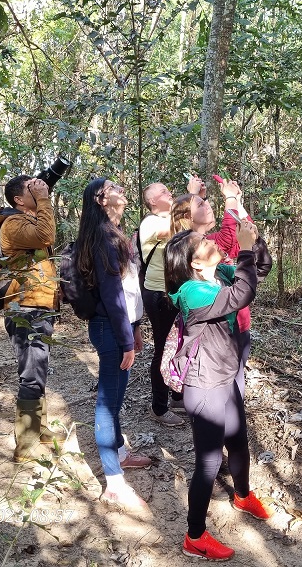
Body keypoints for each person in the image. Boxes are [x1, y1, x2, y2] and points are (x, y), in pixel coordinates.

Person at [164, 222, 274, 561]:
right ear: (195, 263)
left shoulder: (218, 274)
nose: (213, 242)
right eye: (205, 243)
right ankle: (194, 536)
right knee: (209, 462)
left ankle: (242, 495)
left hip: (226, 377)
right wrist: (242, 249)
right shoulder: (192, 291)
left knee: (239, 441)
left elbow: (260, 268)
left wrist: (250, 235)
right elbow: (242, 294)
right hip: (204, 385)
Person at [74, 177, 150, 511]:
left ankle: (119, 450)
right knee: (107, 401)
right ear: (100, 200)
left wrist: (135, 327)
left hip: (119, 327)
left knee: (116, 397)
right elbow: (112, 295)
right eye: (114, 188)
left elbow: (129, 291)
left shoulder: (114, 234)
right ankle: (114, 483)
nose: (121, 190)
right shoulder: (104, 239)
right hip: (109, 329)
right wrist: (125, 339)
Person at [169, 178, 271, 397]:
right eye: (202, 204)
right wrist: (231, 199)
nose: (209, 205)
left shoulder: (214, 257)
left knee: (235, 393)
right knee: (220, 399)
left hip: (238, 326)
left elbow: (254, 263)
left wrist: (242, 214)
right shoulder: (191, 272)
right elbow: (229, 239)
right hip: (209, 361)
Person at [0, 174, 65, 463]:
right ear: (18, 200)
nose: (37, 190)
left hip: (36, 305)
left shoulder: (26, 220)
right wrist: (45, 199)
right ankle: (25, 445)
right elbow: (46, 236)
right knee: (31, 373)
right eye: (30, 189)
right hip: (26, 308)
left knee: (38, 369)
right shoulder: (13, 224)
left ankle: (38, 427)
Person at [139, 182, 185, 426]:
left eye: (170, 189)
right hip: (158, 293)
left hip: (177, 291)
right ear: (153, 201)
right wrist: (192, 198)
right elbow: (178, 230)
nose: (170, 193)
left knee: (179, 344)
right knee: (163, 348)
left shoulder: (173, 217)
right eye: (164, 192)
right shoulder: (152, 222)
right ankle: (159, 407)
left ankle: (178, 395)